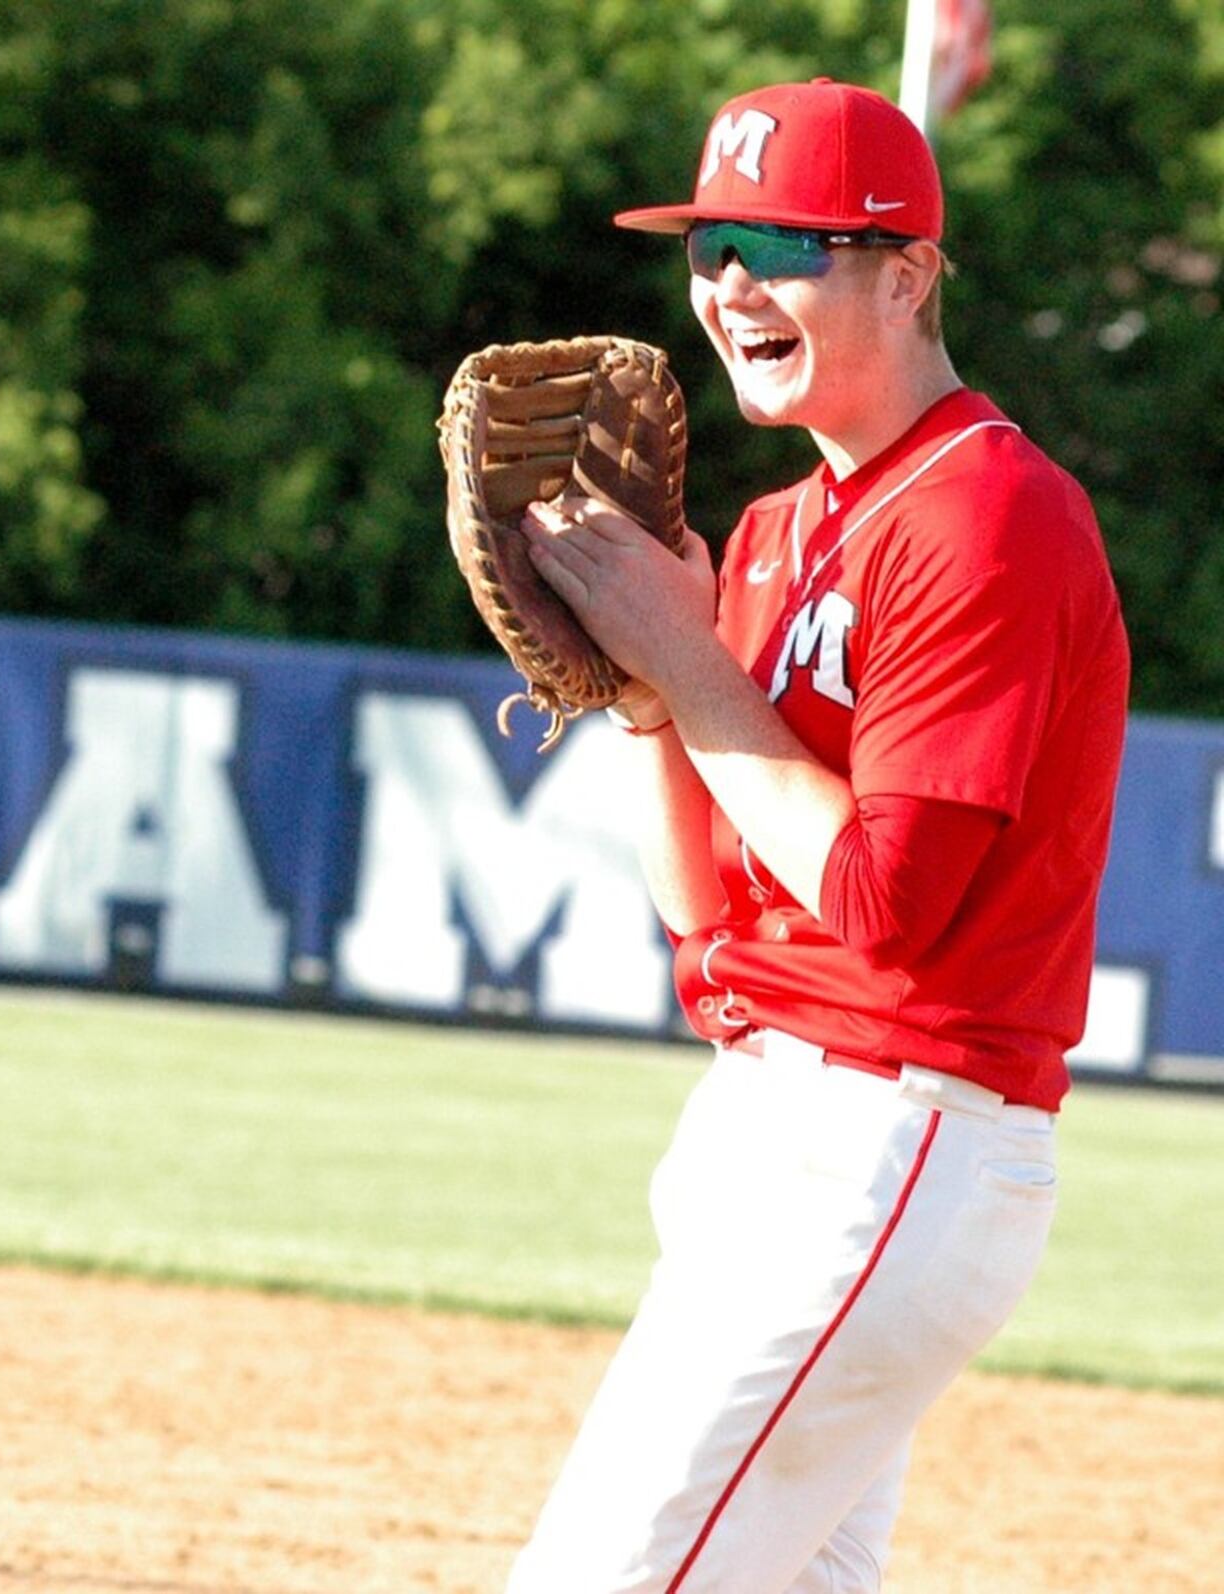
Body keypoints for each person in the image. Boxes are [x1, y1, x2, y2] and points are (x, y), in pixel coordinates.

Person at [506, 78, 1130, 1594]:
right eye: (710, 242)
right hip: (759, 1130)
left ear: (909, 276)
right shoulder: (784, 529)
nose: (728, 284)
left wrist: (687, 646)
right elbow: (703, 901)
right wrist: (654, 691)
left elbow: (885, 905)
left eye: (782, 244)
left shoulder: (989, 519)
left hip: (888, 1152)